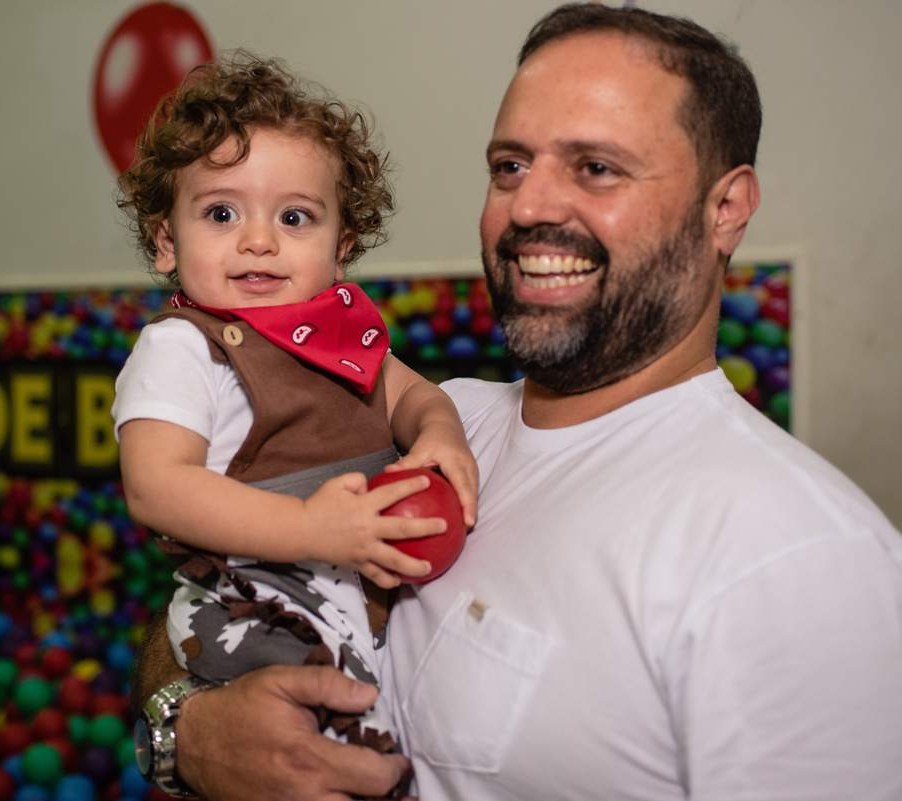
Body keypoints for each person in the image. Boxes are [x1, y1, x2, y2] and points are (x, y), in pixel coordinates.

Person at [131, 5, 902, 801]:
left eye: (595, 167)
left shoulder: (800, 559)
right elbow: (211, 600)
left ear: (726, 209)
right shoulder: (435, 426)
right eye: (509, 166)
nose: (529, 207)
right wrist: (185, 727)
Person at [111, 52, 479, 789]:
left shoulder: (346, 341)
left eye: (294, 216)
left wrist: (440, 435)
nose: (258, 239)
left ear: (341, 246)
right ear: (164, 242)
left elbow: (416, 397)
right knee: (328, 744)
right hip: (250, 605)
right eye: (221, 212)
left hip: (347, 603)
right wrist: (311, 531)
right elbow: (156, 486)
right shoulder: (183, 347)